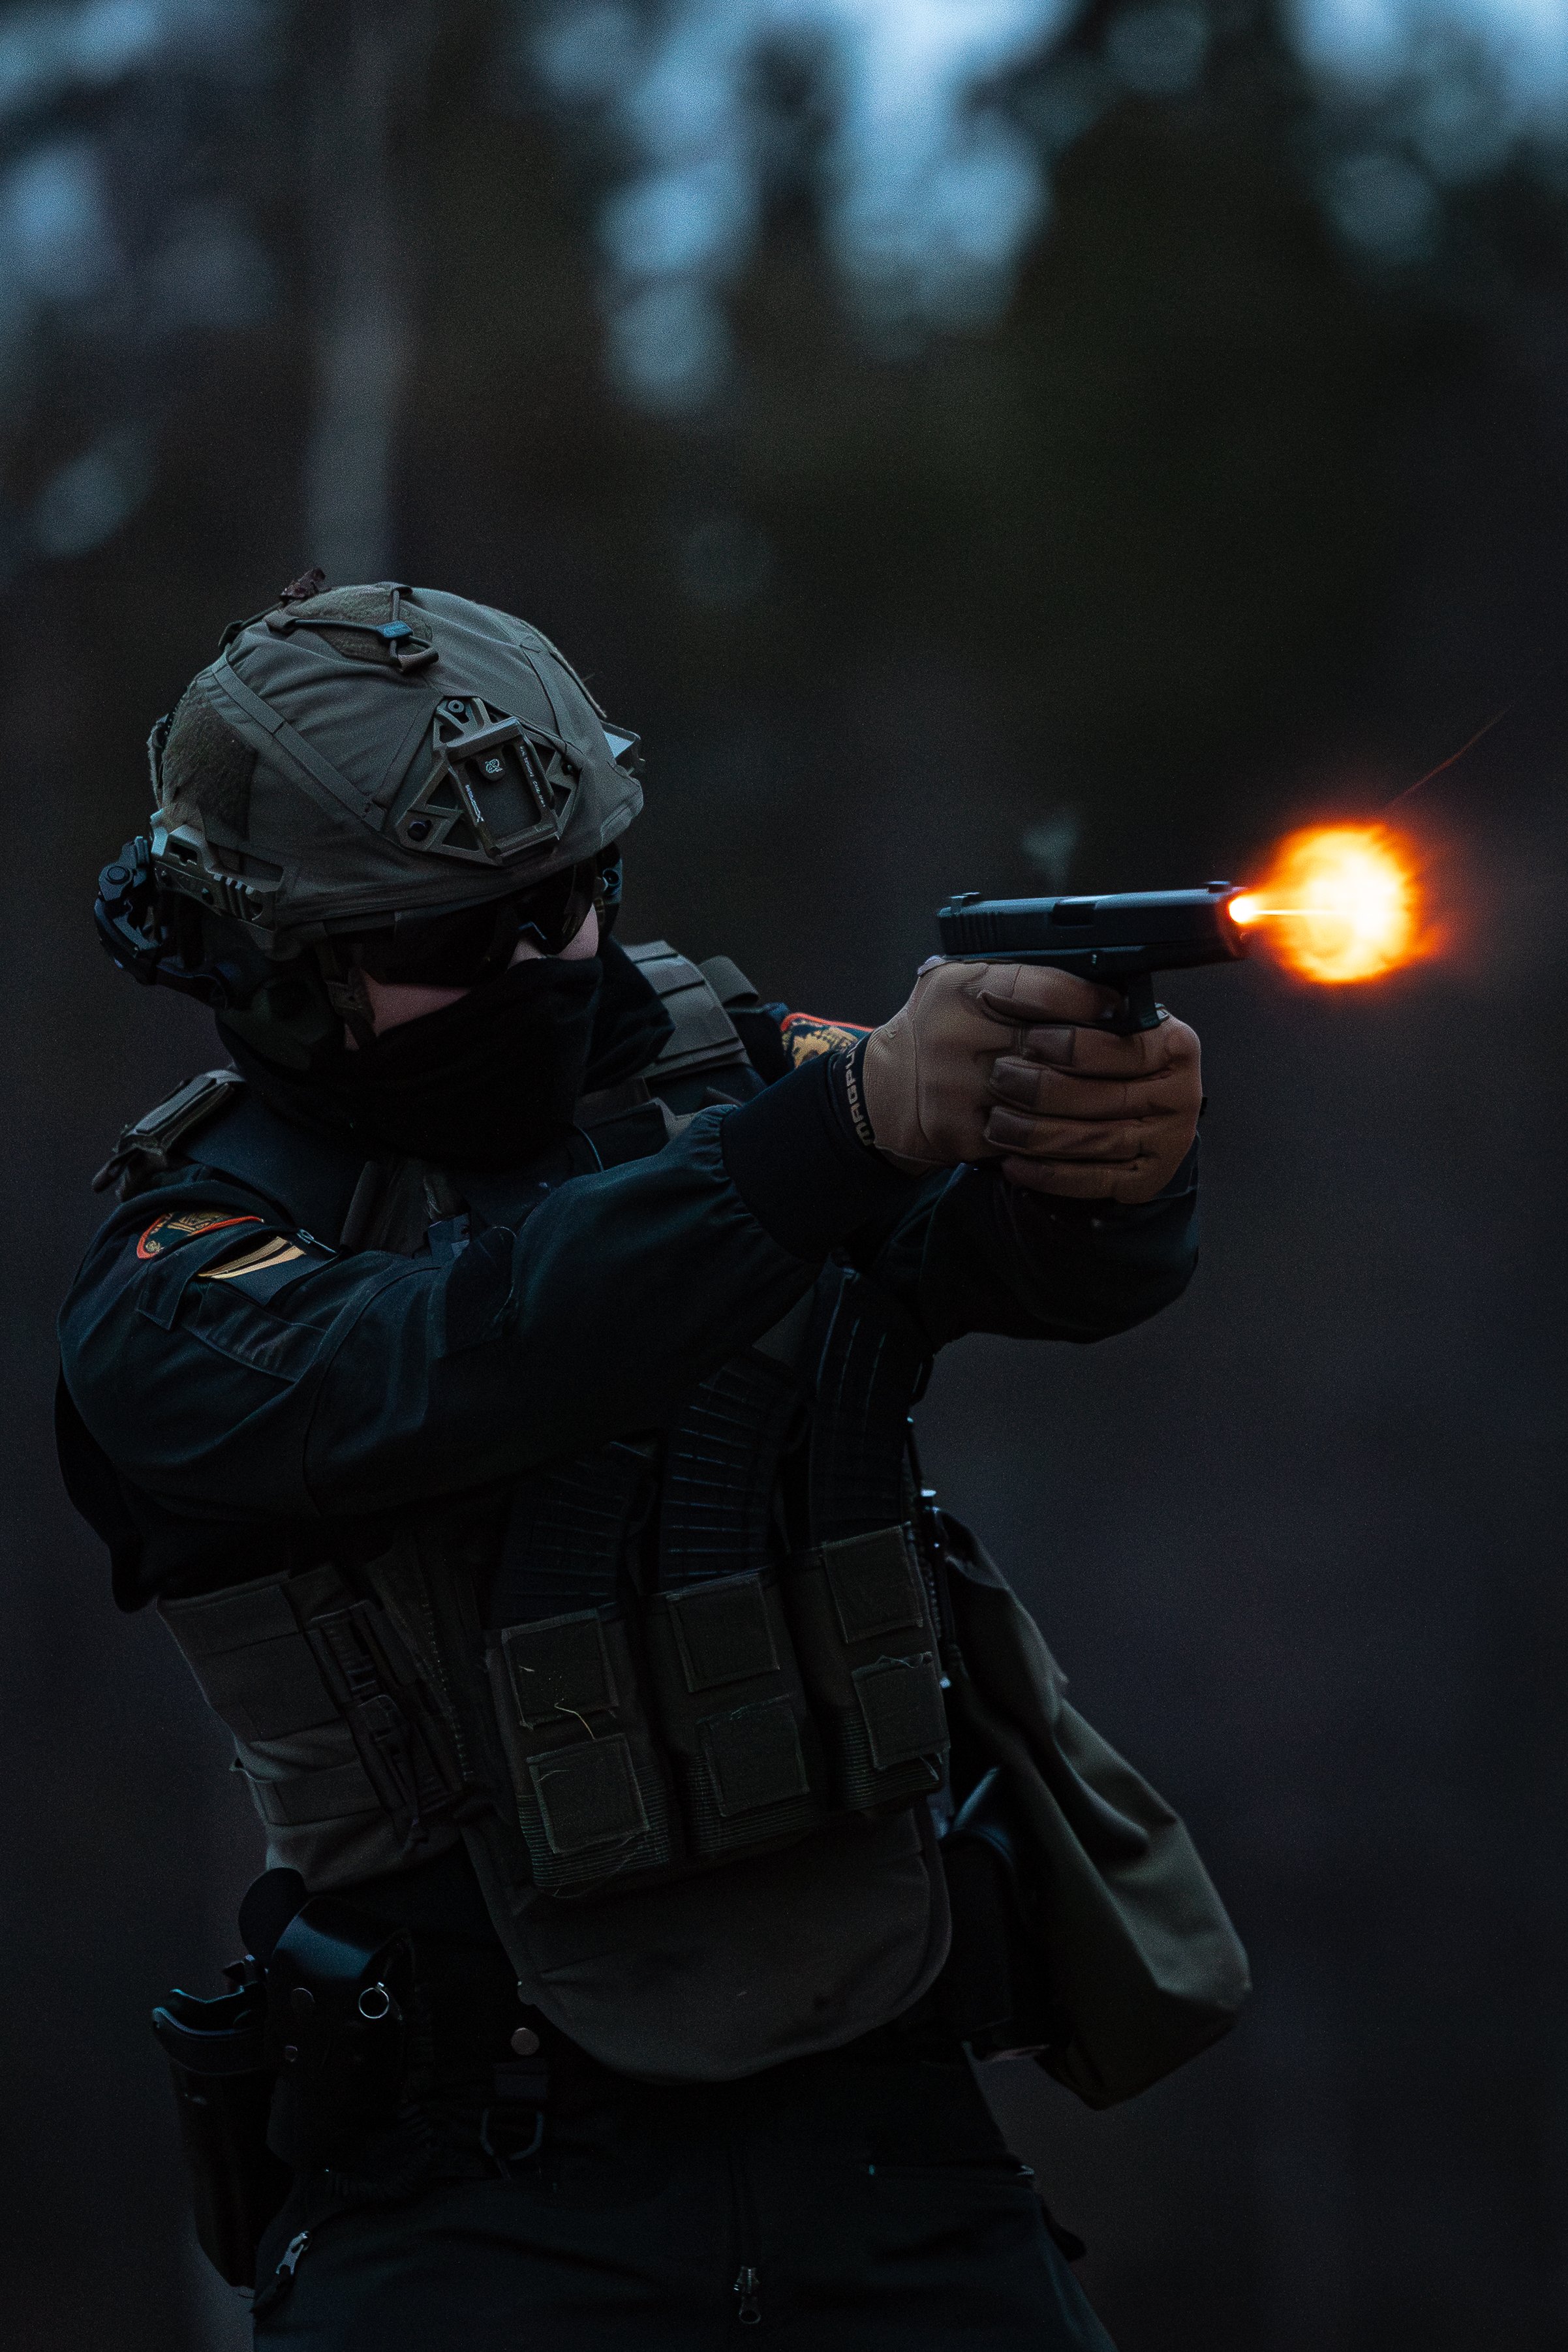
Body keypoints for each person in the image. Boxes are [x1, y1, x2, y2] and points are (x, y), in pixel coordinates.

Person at [57, 578, 1206, 2349]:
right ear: (278, 965)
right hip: (476, 2185)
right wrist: (827, 1145)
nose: (538, 972)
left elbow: (1040, 1270)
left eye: (568, 906)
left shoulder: (750, 1084)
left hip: (882, 2129)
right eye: (454, 942)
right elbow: (443, 1367)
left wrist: (1106, 1160)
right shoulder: (188, 1272)